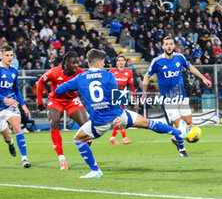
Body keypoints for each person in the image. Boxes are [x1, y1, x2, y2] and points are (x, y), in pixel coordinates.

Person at [55, 49, 188, 178]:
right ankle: (179, 133)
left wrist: (78, 89)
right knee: (147, 122)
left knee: (78, 139)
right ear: (97, 63)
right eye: (102, 62)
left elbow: (59, 90)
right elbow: (118, 98)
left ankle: (95, 170)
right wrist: (118, 115)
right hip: (117, 114)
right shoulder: (108, 75)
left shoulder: (80, 78)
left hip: (99, 121)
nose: (104, 64)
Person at [143, 36, 212, 157]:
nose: (169, 46)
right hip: (168, 99)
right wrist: (144, 92)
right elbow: (147, 76)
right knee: (179, 125)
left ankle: (176, 138)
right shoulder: (157, 61)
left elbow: (190, 67)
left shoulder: (180, 57)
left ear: (174, 46)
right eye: (166, 44)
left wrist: (203, 78)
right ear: (163, 46)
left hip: (182, 97)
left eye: (171, 44)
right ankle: (182, 150)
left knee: (189, 123)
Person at [37, 51, 89, 171]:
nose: (76, 65)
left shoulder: (81, 72)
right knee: (54, 122)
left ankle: (85, 148)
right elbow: (41, 82)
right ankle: (62, 159)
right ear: (66, 63)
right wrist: (40, 102)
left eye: (77, 63)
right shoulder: (54, 72)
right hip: (56, 100)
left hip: (72, 100)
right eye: (73, 63)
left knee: (87, 126)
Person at [0, 45, 32, 168]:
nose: (10, 57)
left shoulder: (14, 71)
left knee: (17, 127)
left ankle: (25, 159)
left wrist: (23, 105)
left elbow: (15, 89)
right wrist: (5, 99)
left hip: (10, 105)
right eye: (7, 55)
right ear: (0, 56)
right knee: (7, 135)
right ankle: (10, 142)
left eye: (11, 55)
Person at [108, 55, 138, 145]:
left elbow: (131, 86)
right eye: (119, 60)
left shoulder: (128, 72)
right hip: (114, 93)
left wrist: (135, 98)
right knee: (120, 116)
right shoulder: (112, 72)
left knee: (120, 117)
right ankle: (123, 138)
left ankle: (114, 137)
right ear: (116, 62)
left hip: (123, 93)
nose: (121, 62)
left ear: (125, 62)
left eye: (122, 60)